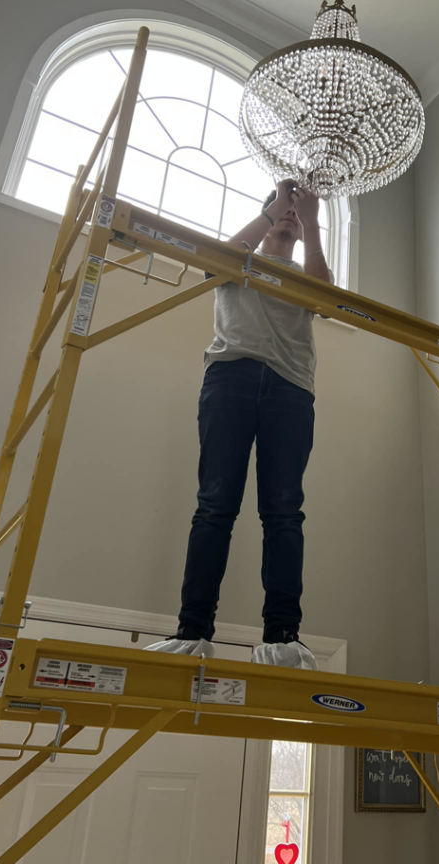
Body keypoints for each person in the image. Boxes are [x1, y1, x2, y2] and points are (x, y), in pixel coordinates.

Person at [147, 180, 330, 669]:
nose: (289, 216)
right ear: (267, 214)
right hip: (231, 377)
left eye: (294, 215)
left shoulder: (305, 272)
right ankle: (192, 631)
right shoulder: (239, 258)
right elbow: (213, 260)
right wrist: (277, 207)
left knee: (284, 512)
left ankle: (283, 636)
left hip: (291, 388)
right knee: (214, 505)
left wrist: (312, 221)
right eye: (282, 211)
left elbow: (326, 299)